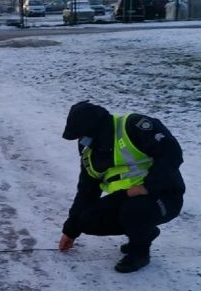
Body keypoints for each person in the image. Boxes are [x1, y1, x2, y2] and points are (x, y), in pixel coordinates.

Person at [58, 101, 185, 273]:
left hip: (164, 196)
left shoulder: (133, 126)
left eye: (83, 134)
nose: (82, 140)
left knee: (135, 209)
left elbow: (172, 153)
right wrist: (70, 231)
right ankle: (144, 233)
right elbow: (86, 192)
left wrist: (148, 186)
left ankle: (139, 252)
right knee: (85, 220)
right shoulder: (89, 150)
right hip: (126, 198)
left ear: (97, 128)